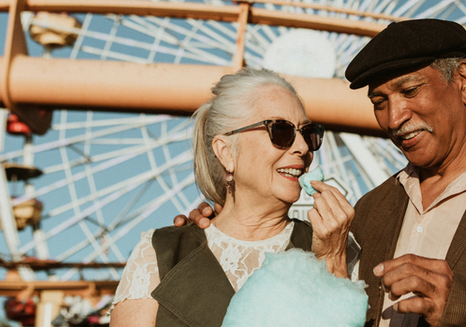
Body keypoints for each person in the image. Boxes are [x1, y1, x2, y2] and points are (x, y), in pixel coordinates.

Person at [185, 19, 466, 327]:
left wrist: (464, 307)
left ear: (463, 82)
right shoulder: (371, 211)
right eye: (379, 102)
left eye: (410, 90)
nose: (394, 116)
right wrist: (222, 235)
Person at [111, 68, 356, 327]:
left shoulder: (341, 250)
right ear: (226, 152)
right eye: (281, 131)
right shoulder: (159, 254)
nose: (303, 147)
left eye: (309, 133)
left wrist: (332, 264)